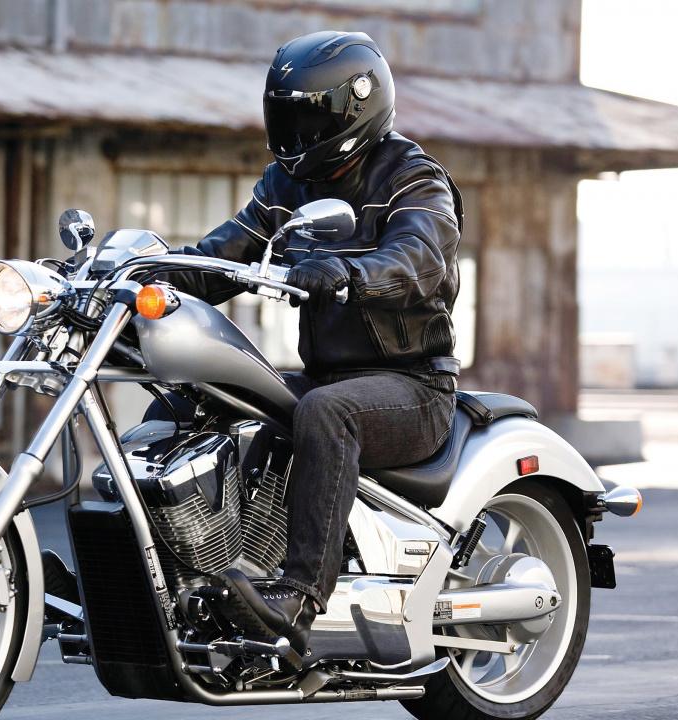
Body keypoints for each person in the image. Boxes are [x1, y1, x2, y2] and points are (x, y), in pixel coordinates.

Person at [156, 31, 463, 656]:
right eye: (285, 117)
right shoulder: (283, 184)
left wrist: (351, 274)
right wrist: (135, 270)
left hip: (411, 386)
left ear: (352, 112)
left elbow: (419, 259)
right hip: (329, 377)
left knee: (327, 412)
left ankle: (297, 598)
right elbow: (220, 256)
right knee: (205, 396)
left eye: (307, 118)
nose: (293, 136)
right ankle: (179, 578)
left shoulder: (414, 180)